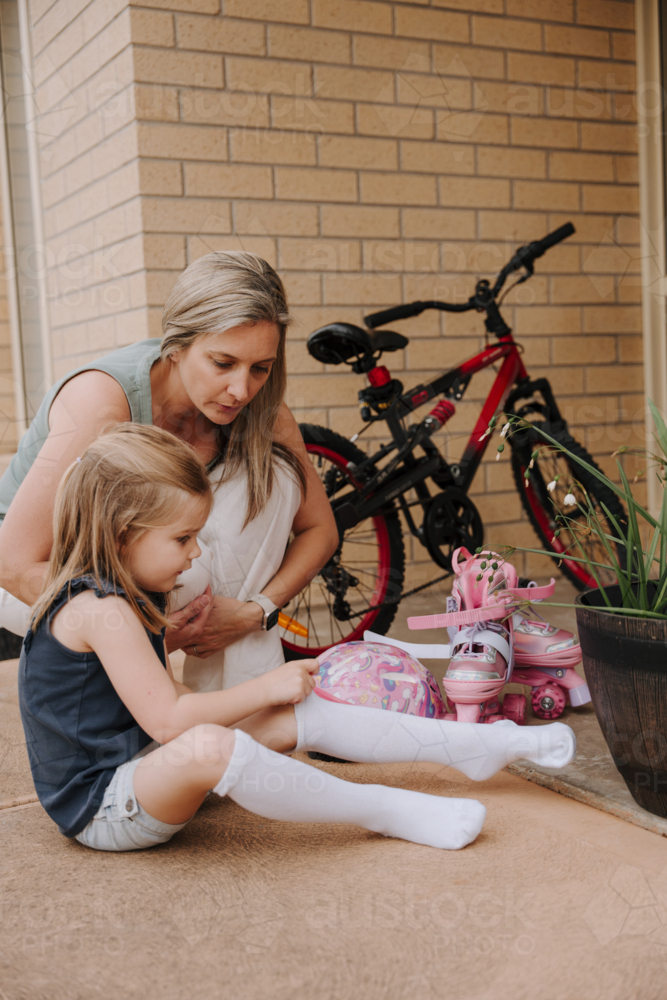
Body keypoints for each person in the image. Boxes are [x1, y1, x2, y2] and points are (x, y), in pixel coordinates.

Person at [19, 424, 577, 854]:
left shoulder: (124, 593)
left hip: (145, 766)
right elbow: (168, 719)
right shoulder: (98, 606)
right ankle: (385, 810)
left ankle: (476, 750)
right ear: (122, 537)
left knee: (295, 708)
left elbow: (108, 697)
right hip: (105, 806)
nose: (195, 553)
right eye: (184, 537)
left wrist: (168, 646)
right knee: (213, 742)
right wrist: (265, 687)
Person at [0, 252, 338, 687]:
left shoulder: (262, 408)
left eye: (260, 369)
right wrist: (142, 625)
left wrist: (254, 612)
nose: (241, 390)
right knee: (191, 574)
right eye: (222, 363)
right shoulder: (101, 401)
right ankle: (143, 715)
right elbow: (13, 564)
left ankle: (241, 714)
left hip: (142, 558)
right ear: (177, 347)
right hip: (38, 572)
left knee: (275, 475)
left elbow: (320, 530)